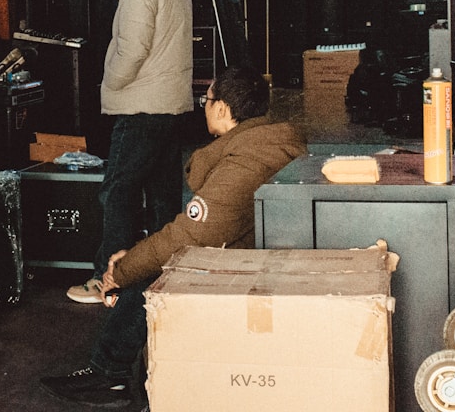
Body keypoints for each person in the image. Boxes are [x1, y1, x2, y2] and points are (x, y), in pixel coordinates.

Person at [41, 67, 306, 407]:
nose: (204, 107)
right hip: (259, 256)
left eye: (206, 101)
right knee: (153, 258)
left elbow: (191, 235)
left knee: (154, 269)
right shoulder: (269, 142)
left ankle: (110, 374)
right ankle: (114, 372)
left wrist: (120, 271)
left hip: (248, 270)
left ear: (223, 109)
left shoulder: (245, 161)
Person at [67, 0, 194, 304]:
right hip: (170, 103)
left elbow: (133, 48)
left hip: (141, 104)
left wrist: (111, 84)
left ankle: (109, 279)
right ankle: (163, 275)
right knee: (162, 195)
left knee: (118, 192)